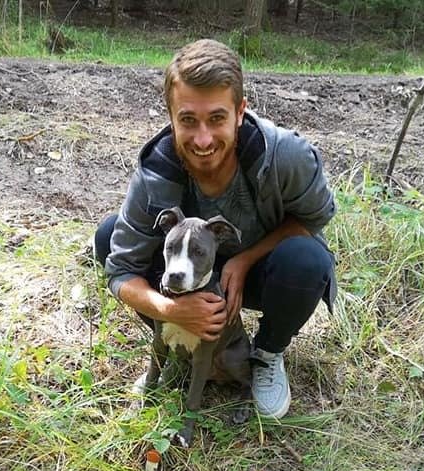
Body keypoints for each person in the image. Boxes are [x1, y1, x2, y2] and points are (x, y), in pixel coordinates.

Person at [94, 38, 336, 418]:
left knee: (307, 259)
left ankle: (266, 355)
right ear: (171, 115)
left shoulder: (284, 155)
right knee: (109, 236)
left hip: (262, 275)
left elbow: (315, 216)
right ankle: (180, 342)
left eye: (217, 118)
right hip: (183, 276)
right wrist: (168, 309)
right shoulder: (156, 169)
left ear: (241, 111)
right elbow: (120, 271)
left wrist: (242, 261)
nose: (203, 139)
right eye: (188, 120)